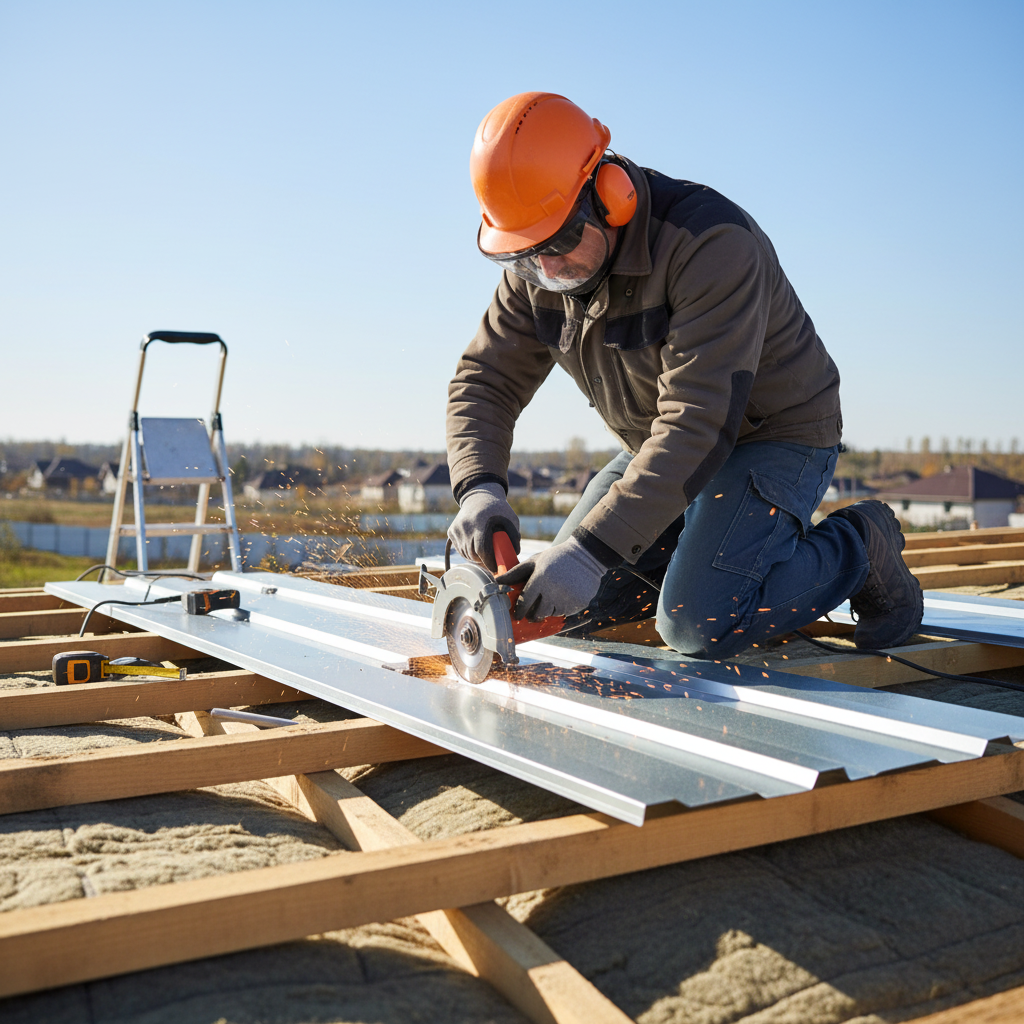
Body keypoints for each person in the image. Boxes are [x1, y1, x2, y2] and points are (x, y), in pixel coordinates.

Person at [446, 91, 922, 657]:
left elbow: (698, 420)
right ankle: (706, 556)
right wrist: (478, 488)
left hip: (772, 434)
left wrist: (595, 549)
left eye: (561, 241)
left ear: (610, 196)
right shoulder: (539, 269)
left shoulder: (710, 244)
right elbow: (485, 381)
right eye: (525, 254)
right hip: (666, 443)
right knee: (573, 608)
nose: (547, 269)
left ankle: (862, 545)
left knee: (696, 621)